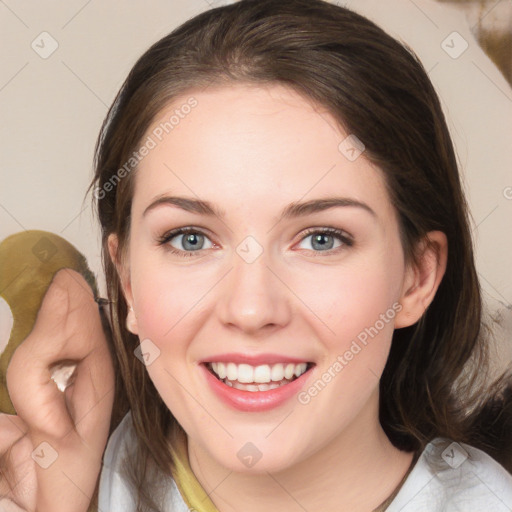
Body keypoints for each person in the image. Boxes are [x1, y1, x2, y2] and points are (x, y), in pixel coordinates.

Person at [1, 0, 511, 511]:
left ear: (416, 278)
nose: (250, 309)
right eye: (190, 239)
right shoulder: (60, 481)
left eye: (321, 239)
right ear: (127, 279)